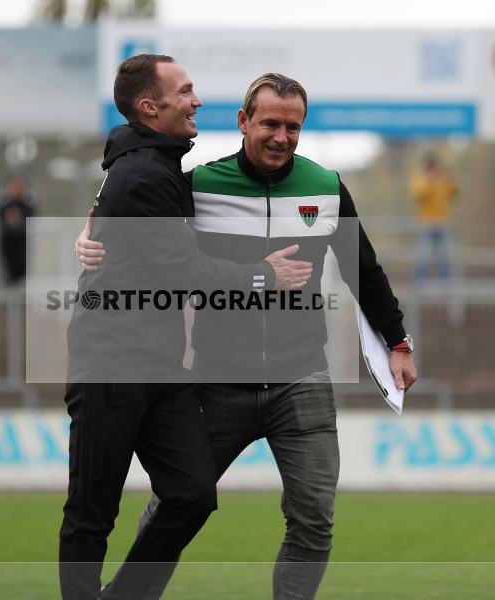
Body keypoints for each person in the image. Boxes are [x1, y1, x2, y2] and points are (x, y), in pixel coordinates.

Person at [77, 73, 418, 600]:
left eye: (293, 126)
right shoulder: (200, 184)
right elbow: (137, 205)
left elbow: (363, 271)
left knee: (315, 519)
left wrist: (398, 343)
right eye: (270, 124)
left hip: (301, 378)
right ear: (243, 121)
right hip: (216, 381)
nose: (281, 136)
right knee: (176, 505)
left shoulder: (326, 186)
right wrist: (92, 225)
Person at [60, 56, 312, 600]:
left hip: (162, 366)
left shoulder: (158, 168)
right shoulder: (142, 173)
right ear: (151, 107)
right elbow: (186, 270)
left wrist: (90, 232)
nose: (197, 101)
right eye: (186, 92)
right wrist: (262, 277)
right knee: (92, 511)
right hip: (110, 364)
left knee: (192, 493)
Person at [410, 152, 459, 284]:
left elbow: (454, 191)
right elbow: (418, 195)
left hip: (443, 223)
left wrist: (447, 179)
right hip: (427, 224)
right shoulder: (421, 181)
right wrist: (430, 182)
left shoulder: (443, 181)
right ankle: (419, 280)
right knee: (423, 253)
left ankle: (445, 280)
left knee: (445, 254)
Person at [0, 177, 35, 285]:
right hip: (8, 246)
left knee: (22, 276)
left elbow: (31, 214)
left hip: (23, 247)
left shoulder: (27, 205)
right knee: (9, 276)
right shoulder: (3, 204)